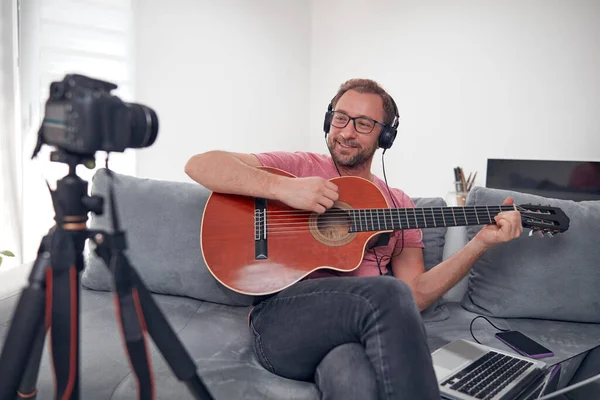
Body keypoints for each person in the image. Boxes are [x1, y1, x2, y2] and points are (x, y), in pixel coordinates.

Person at [184, 78, 523, 400]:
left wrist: (480, 243)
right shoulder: (299, 168)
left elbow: (415, 294)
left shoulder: (398, 204)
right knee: (389, 291)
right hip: (281, 322)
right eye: (340, 118)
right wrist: (285, 189)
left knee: (352, 376)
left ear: (385, 136)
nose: (346, 132)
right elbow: (200, 165)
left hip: (350, 336)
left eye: (362, 124)